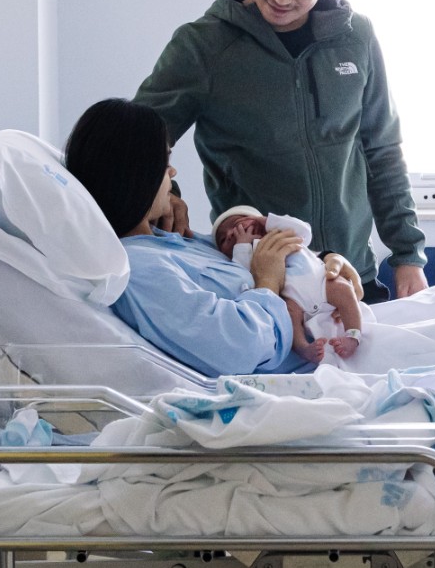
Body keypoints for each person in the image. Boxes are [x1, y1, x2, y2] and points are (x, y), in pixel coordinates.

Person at [134, 0, 429, 302]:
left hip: (352, 279)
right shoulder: (203, 47)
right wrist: (167, 196)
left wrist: (407, 253)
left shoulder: (357, 39)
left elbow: (382, 149)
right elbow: (133, 140)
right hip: (263, 286)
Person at [64, 98, 363, 377]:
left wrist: (323, 260)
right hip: (321, 364)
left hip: (339, 337)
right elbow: (240, 348)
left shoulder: (173, 241)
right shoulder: (141, 270)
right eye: (164, 163)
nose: (173, 171)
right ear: (137, 174)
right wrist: (268, 283)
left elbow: (246, 253)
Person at [212, 205, 368, 363]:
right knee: (288, 316)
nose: (230, 233)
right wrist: (242, 245)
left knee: (344, 289)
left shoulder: (281, 233)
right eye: (223, 240)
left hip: (321, 282)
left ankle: (353, 335)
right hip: (292, 298)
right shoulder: (251, 256)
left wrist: (267, 221)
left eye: (237, 223)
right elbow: (244, 272)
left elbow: (304, 232)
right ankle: (303, 347)